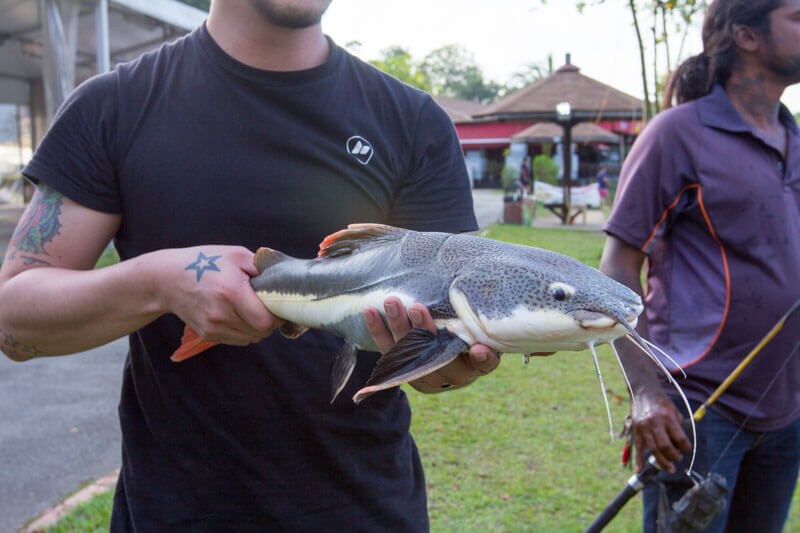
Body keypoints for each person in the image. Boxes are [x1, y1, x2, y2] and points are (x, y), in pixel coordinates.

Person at [0, 1, 500, 530]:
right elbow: (14, 321)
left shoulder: (413, 122)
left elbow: (438, 362)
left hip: (365, 511)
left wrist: (444, 367)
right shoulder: (114, 105)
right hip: (174, 513)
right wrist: (158, 283)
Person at [600, 0, 800, 531]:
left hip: (787, 412)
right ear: (747, 36)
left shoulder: (794, 137)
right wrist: (646, 392)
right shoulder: (676, 135)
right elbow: (616, 271)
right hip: (695, 413)